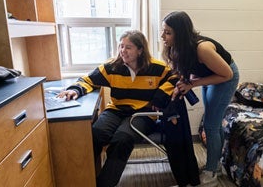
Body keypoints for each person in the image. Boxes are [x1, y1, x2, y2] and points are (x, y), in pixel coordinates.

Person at [58, 30, 194, 187]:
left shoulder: (157, 67)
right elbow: (87, 80)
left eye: (128, 47)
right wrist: (75, 90)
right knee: (95, 135)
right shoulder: (111, 67)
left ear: (140, 50)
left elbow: (175, 77)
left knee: (122, 140)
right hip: (116, 110)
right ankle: (84, 180)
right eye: (121, 46)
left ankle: (104, 183)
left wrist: (160, 94)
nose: (123, 51)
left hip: (143, 114)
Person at [161, 11, 240, 186]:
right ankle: (216, 165)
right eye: (163, 31)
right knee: (214, 122)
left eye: (167, 32)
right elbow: (184, 70)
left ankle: (211, 173)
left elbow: (226, 74)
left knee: (210, 125)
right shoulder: (178, 47)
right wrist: (182, 83)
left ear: (180, 33)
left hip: (225, 77)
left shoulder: (202, 48)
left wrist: (193, 84)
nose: (162, 36)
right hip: (210, 75)